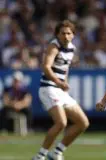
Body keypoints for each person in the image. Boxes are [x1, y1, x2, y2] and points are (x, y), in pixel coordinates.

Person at [32, 20, 89, 160]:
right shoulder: (53, 46)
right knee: (61, 123)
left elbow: (65, 69)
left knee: (83, 123)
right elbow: (46, 67)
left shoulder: (72, 48)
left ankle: (57, 152)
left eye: (69, 33)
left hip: (60, 90)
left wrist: (65, 83)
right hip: (48, 88)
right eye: (62, 33)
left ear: (73, 35)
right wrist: (58, 82)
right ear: (57, 34)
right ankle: (40, 156)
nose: (66, 36)